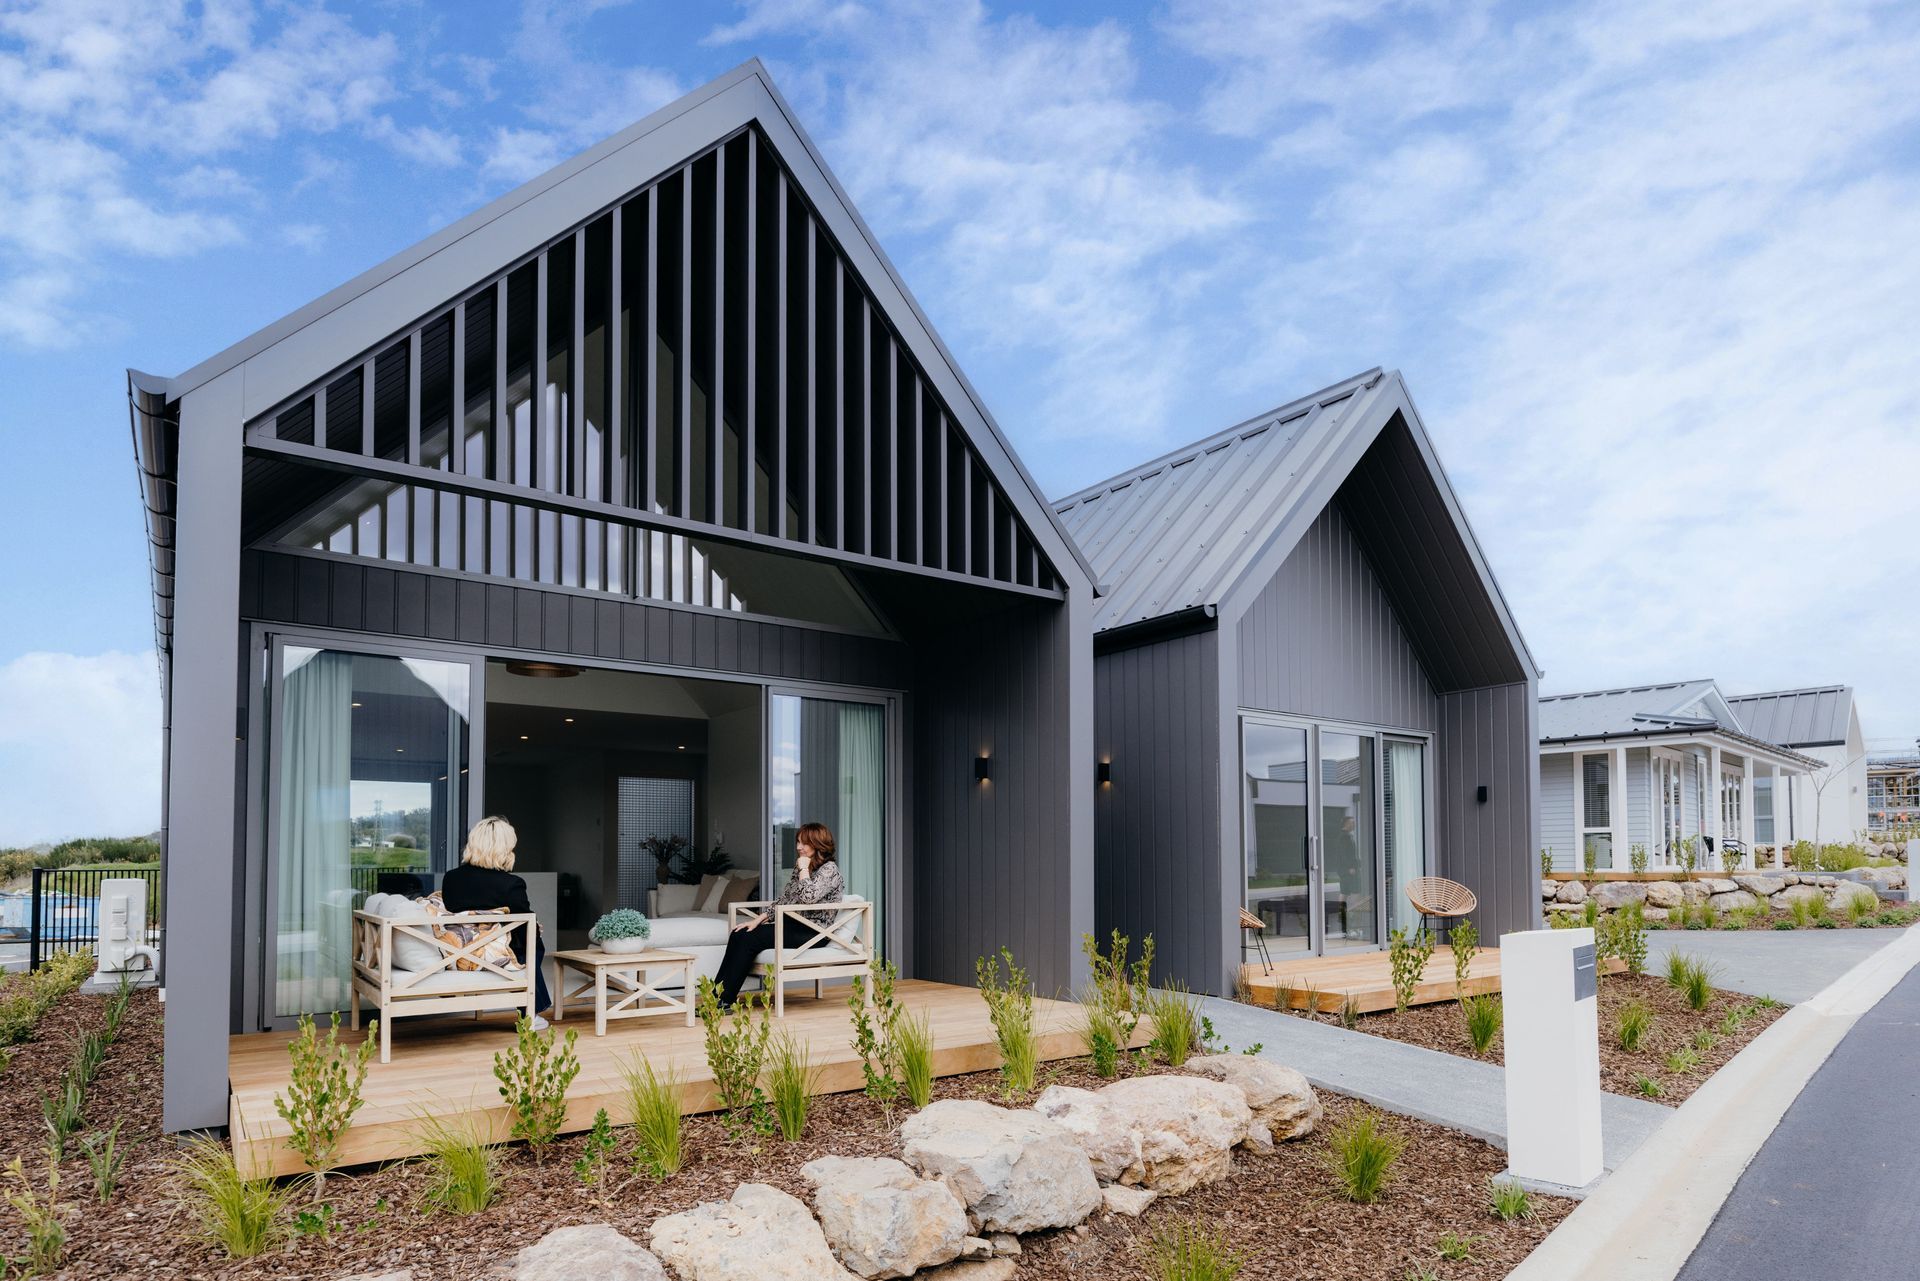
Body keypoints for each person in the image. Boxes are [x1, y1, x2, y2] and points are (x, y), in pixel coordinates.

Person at [713, 821, 844, 1006]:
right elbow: (785, 899)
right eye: (798, 842)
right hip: (794, 925)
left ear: (818, 843)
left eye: (804, 843)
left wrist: (804, 869)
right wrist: (758, 920)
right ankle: (716, 998)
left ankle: (724, 1001)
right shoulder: (801, 867)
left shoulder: (829, 870)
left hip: (815, 932)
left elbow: (808, 897)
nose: (799, 847)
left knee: (750, 939)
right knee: (739, 933)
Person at [441, 815, 552, 1029]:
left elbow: (459, 915)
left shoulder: (451, 877)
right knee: (532, 942)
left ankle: (533, 1008)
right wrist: (534, 928)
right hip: (492, 956)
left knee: (528, 933)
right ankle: (530, 1012)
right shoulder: (511, 884)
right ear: (504, 849)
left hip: (456, 952)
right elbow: (522, 926)